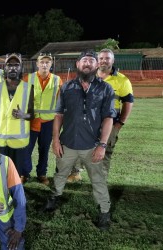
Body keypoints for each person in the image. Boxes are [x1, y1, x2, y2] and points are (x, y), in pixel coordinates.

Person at [44, 50, 116, 231]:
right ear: (78, 64)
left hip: (92, 146)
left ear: (97, 65)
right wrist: (55, 139)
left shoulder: (105, 89)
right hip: (67, 143)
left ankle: (104, 211)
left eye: (91, 61)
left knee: (98, 179)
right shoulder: (67, 87)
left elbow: (108, 118)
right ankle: (54, 197)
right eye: (84, 60)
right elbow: (59, 114)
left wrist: (102, 145)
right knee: (60, 173)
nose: (87, 63)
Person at [67, 48, 134, 182]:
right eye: (101, 58)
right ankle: (75, 173)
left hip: (109, 121)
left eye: (107, 58)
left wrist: (120, 123)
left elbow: (128, 103)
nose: (104, 61)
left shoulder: (122, 80)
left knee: (105, 150)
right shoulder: (88, 76)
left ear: (113, 60)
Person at [0, 53, 34, 184]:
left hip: (19, 142)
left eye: (16, 65)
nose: (13, 68)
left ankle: (16, 198)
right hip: (1, 141)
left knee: (16, 174)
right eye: (9, 65)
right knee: (1, 173)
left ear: (21, 68)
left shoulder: (28, 88)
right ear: (5, 68)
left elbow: (32, 114)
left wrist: (24, 115)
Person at [25, 52, 63, 185]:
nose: (44, 64)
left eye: (47, 62)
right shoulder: (28, 78)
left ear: (51, 64)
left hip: (48, 121)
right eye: (42, 62)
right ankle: (25, 173)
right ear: (37, 64)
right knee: (27, 149)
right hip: (31, 120)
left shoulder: (57, 80)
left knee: (44, 149)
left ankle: (42, 173)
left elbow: (60, 103)